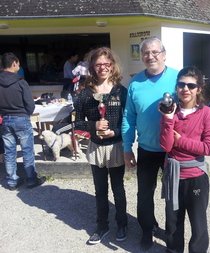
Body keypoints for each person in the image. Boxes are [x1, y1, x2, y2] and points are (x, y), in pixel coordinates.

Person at [122, 37, 179, 250]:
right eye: (146, 53)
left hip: (173, 150)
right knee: (144, 193)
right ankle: (147, 229)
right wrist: (128, 147)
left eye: (155, 52)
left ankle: (172, 234)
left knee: (173, 194)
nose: (150, 56)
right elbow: (128, 116)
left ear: (164, 54)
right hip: (146, 148)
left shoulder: (177, 78)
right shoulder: (135, 82)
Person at [159, 66, 210, 253]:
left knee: (198, 224)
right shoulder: (171, 111)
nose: (186, 89)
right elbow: (166, 146)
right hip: (173, 176)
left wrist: (181, 141)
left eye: (191, 85)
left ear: (199, 88)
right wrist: (168, 118)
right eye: (181, 85)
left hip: (196, 177)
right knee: (173, 222)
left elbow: (209, 148)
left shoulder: (207, 113)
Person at [74, 47, 128, 244]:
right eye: (98, 64)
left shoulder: (121, 91)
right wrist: (93, 125)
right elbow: (77, 123)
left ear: (112, 65)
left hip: (116, 146)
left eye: (106, 64)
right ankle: (102, 226)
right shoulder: (84, 94)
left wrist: (117, 132)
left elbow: (128, 120)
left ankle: (122, 223)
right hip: (96, 147)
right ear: (92, 67)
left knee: (118, 188)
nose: (103, 67)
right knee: (100, 190)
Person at [0, 52, 46, 190]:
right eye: (18, 65)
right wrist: (24, 114)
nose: (18, 67)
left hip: (5, 120)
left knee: (9, 151)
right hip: (21, 118)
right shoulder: (20, 82)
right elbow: (30, 105)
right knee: (27, 151)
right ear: (14, 63)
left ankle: (12, 181)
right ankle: (31, 180)